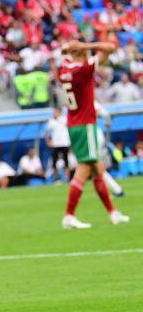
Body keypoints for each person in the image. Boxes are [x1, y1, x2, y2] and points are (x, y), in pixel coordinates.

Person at [55, 40, 130, 229]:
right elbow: (110, 48)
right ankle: (69, 215)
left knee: (98, 169)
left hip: (73, 123)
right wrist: (86, 45)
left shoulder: (63, 69)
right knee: (84, 169)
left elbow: (65, 53)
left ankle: (113, 213)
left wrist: (74, 48)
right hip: (85, 124)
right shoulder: (83, 69)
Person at [44, 107, 71, 181]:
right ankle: (57, 178)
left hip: (65, 143)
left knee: (66, 161)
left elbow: (70, 129)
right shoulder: (51, 121)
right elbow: (47, 132)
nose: (54, 113)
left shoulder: (65, 119)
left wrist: (70, 140)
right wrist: (48, 141)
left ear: (60, 112)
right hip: (56, 144)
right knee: (54, 161)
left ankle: (67, 178)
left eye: (56, 112)